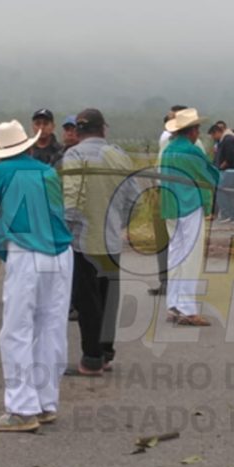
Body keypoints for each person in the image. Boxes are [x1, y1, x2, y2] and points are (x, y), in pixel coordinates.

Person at [0, 120, 73, 433]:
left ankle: (21, 408)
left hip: (26, 250)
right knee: (51, 326)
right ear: (29, 146)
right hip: (60, 253)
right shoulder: (47, 171)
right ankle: (46, 402)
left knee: (17, 329)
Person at [61, 109, 139, 375]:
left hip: (84, 240)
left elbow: (71, 200)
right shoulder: (120, 156)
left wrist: (66, 232)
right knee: (107, 299)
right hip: (111, 240)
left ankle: (91, 358)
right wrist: (118, 223)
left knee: (87, 302)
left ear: (78, 131)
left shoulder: (74, 156)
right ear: (103, 129)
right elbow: (133, 199)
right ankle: (105, 353)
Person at [160, 108, 219, 327]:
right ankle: (187, 309)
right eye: (197, 129)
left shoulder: (168, 150)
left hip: (170, 207)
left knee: (175, 255)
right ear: (192, 131)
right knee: (190, 257)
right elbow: (209, 175)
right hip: (189, 205)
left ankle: (173, 304)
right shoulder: (191, 151)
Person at [210, 122, 234, 223]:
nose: (213, 138)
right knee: (229, 193)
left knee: (222, 191)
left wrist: (219, 167)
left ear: (217, 132)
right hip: (229, 171)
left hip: (229, 170)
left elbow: (230, 157)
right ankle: (231, 215)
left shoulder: (228, 139)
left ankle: (227, 213)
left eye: (213, 135)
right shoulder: (225, 139)